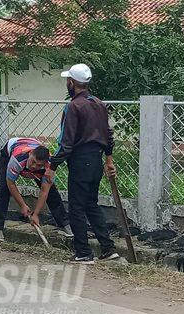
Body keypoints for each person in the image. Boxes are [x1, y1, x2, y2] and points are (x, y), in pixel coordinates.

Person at [50, 63, 119, 264]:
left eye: (67, 81)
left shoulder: (73, 106)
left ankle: (83, 252)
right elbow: (108, 135)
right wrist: (108, 159)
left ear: (72, 83)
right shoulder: (98, 103)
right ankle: (107, 248)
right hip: (96, 160)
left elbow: (66, 141)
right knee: (91, 204)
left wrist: (53, 165)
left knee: (77, 207)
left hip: (80, 161)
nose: (67, 84)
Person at [0, 137, 72, 242]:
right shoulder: (17, 159)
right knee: (3, 189)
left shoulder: (49, 167)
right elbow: (11, 183)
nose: (33, 166)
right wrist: (23, 205)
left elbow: (44, 191)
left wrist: (36, 214)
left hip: (33, 154)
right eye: (33, 161)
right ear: (30, 154)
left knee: (52, 193)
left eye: (38, 165)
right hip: (10, 151)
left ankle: (64, 224)